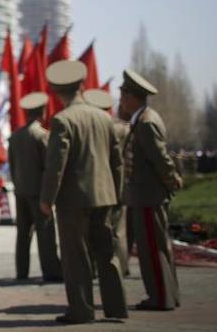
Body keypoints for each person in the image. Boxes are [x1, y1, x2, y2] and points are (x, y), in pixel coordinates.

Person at [39, 61, 127, 324]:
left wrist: (47, 199)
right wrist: (117, 194)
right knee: (106, 253)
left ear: (55, 90)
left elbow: (56, 166)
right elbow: (117, 160)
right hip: (105, 196)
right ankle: (117, 307)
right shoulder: (104, 117)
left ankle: (81, 310)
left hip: (74, 201)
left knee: (75, 256)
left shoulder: (62, 120)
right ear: (81, 85)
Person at [118, 69, 182, 311]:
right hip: (146, 195)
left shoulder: (145, 122)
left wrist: (171, 180)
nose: (121, 100)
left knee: (152, 250)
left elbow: (161, 159)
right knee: (157, 248)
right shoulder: (143, 119)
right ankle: (167, 295)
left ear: (133, 97)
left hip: (148, 196)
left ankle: (159, 298)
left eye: (124, 95)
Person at [8, 92, 62, 282]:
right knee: (45, 234)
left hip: (21, 191)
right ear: (43, 112)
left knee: (23, 234)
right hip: (39, 193)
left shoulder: (15, 136)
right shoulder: (41, 136)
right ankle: (52, 271)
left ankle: (21, 271)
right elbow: (50, 166)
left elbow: (12, 166)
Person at [83, 88, 131, 277]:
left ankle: (94, 267)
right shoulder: (122, 127)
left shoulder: (93, 128)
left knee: (94, 230)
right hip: (120, 182)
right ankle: (121, 266)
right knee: (118, 229)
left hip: (97, 185)